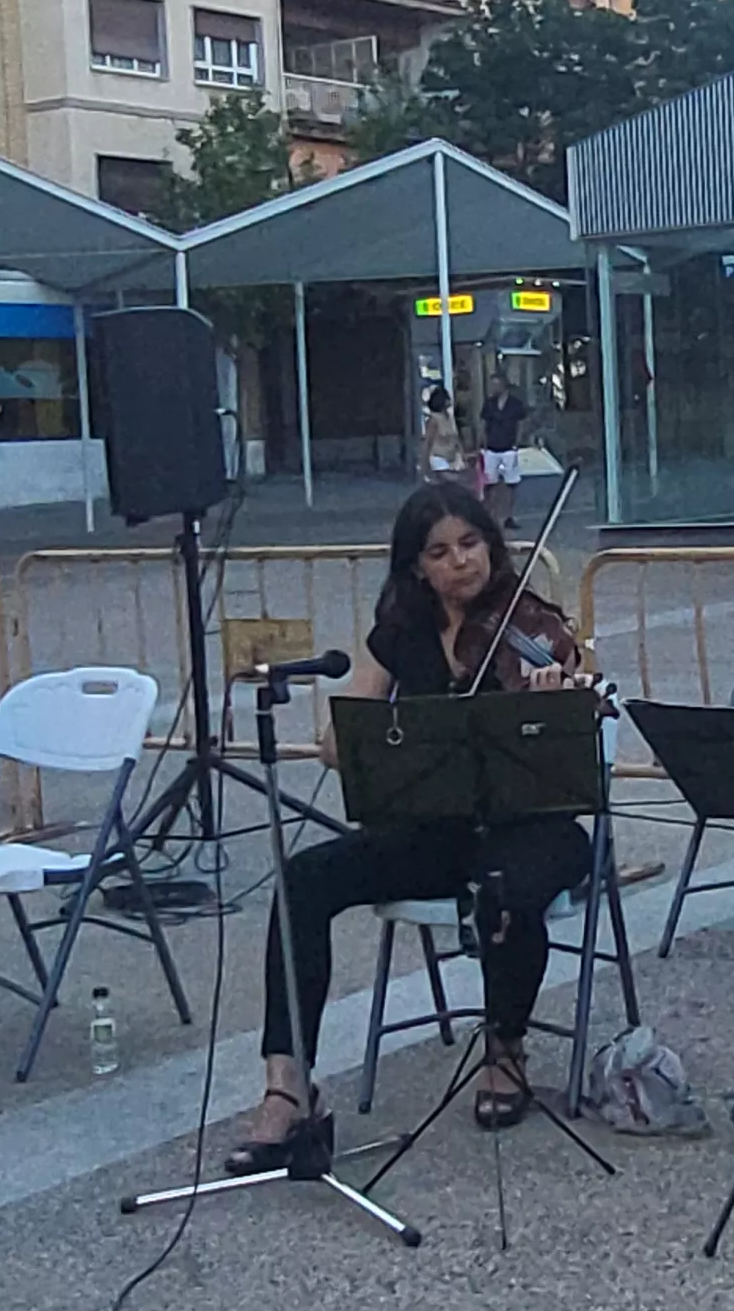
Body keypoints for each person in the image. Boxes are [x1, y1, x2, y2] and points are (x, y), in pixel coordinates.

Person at [228, 480, 602, 1171]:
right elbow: (345, 731)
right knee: (305, 878)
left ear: (492, 545)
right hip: (440, 826)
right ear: (416, 568)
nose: (461, 562)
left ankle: (506, 1046)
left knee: (509, 891)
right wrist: (349, 737)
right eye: (440, 552)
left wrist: (560, 699)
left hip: (535, 826)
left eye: (471, 544)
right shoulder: (399, 633)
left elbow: (583, 703)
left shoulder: (531, 625)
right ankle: (287, 1082)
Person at [476, 369, 530, 529]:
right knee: (489, 483)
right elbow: (483, 423)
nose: (493, 388)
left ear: (504, 385)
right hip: (492, 447)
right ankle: (488, 515)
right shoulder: (489, 403)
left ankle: (508, 516)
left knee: (510, 483)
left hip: (508, 446)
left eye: (496, 384)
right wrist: (482, 442)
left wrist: (518, 441)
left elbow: (521, 422)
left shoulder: (515, 404)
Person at [419, 383, 466, 490]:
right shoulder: (434, 420)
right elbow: (428, 441)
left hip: (452, 456)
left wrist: (461, 452)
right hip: (439, 457)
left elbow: (455, 437)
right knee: (452, 482)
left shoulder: (449, 417)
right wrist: (424, 464)